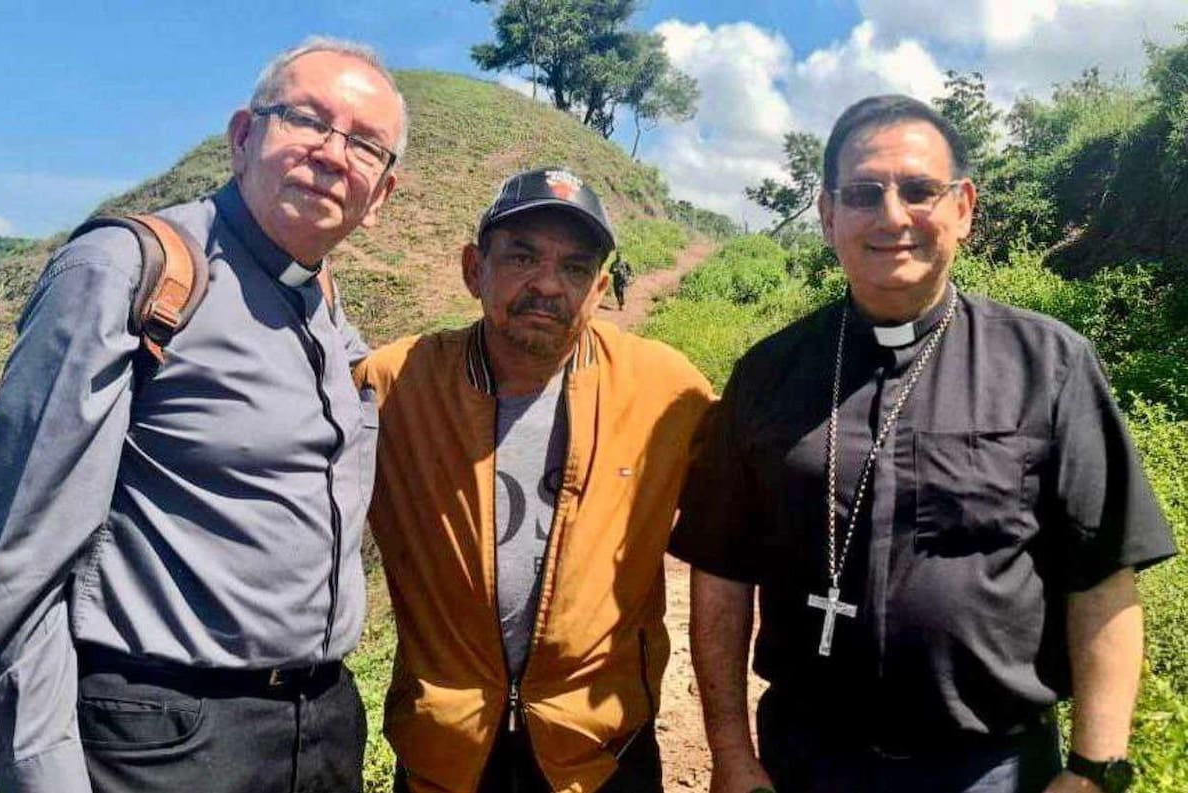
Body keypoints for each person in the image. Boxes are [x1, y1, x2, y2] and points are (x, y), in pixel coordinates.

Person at [671, 95, 1176, 793]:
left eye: (918, 190)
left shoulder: (1049, 365)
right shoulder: (768, 373)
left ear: (963, 207)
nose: (891, 216)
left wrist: (1093, 768)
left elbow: (1104, 573)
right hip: (805, 762)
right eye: (863, 193)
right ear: (826, 215)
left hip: (991, 768)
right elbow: (721, 573)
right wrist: (730, 749)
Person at [0, 37, 408, 793]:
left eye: (365, 145)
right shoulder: (130, 272)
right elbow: (14, 561)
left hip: (320, 730)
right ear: (244, 135)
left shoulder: (329, 314)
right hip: (165, 740)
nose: (331, 153)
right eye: (306, 119)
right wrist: (40, 774)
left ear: (380, 197)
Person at [355, 167, 714, 793]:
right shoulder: (394, 386)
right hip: (446, 748)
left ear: (599, 288)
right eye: (522, 257)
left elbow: (751, 505)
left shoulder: (666, 389)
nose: (548, 284)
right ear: (475, 268)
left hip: (601, 750)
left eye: (575, 268)